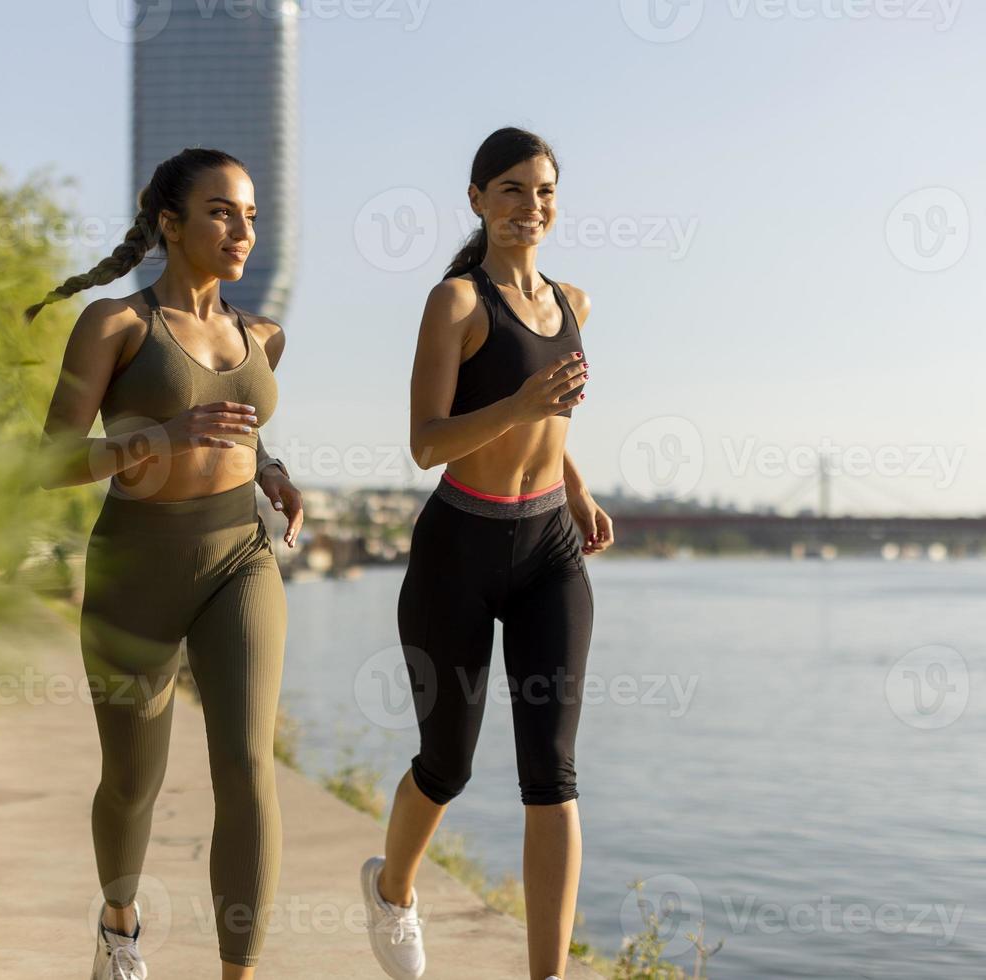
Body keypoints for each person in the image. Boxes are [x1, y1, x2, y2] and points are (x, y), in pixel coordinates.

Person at [28, 147, 303, 979]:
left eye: (251, 213)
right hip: (136, 568)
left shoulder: (264, 335)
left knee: (248, 767)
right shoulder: (116, 324)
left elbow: (244, 437)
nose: (242, 229)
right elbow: (46, 463)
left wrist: (276, 473)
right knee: (130, 784)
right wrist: (153, 439)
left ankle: (238, 970)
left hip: (240, 558)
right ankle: (119, 925)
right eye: (222, 211)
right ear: (170, 224)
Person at [361, 127, 614, 980]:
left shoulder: (575, 300)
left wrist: (573, 483)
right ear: (476, 199)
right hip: (458, 550)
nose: (528, 206)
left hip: (549, 548)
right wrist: (520, 405)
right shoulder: (457, 304)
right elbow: (427, 442)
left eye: (543, 191)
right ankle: (393, 888)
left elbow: (553, 415)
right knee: (447, 766)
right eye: (510, 189)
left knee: (554, 774)